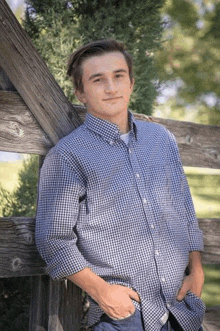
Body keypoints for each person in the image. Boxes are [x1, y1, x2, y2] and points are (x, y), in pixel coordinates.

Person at [35, 39, 205, 331]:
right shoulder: (68, 155)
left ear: (131, 82)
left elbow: (184, 207)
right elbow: (53, 239)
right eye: (98, 79)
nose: (111, 87)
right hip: (126, 315)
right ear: (80, 92)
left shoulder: (161, 139)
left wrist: (197, 268)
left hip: (181, 309)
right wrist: (103, 292)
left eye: (118, 76)